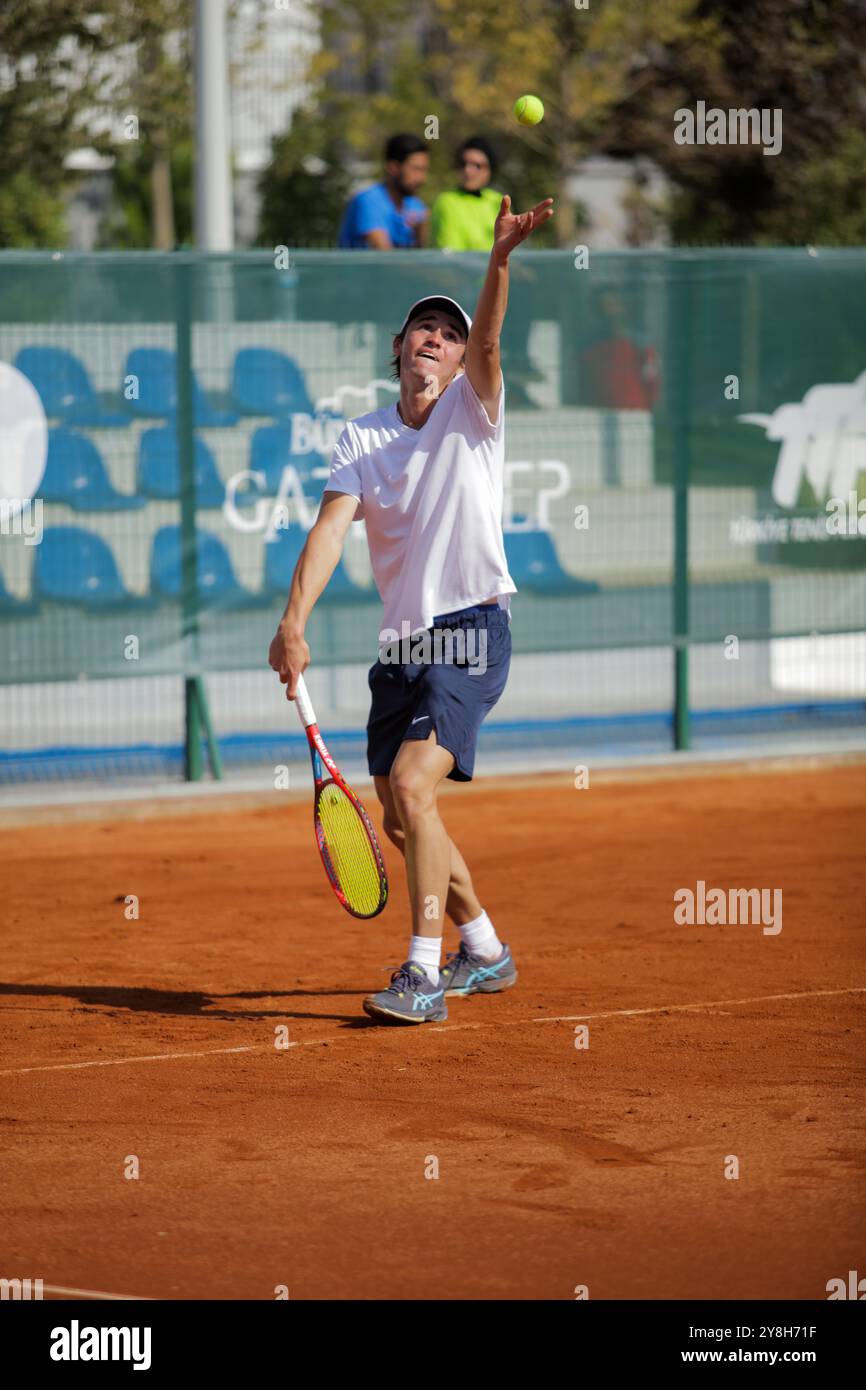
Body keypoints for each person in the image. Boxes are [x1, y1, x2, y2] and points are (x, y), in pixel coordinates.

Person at [269, 192, 554, 1025]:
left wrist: (498, 260)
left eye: (450, 333)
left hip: (470, 629)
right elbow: (327, 534)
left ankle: (423, 974)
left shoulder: (477, 409)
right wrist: (294, 623)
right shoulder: (360, 437)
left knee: (410, 785)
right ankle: (488, 951)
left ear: (465, 362)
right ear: (398, 349)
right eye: (423, 328)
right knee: (400, 816)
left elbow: (493, 335)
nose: (436, 337)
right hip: (401, 646)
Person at [337, 133, 430, 249]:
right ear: (393, 168)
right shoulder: (369, 201)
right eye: (416, 169)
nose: (422, 178)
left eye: (424, 170)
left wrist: (420, 233)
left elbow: (419, 259)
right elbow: (384, 258)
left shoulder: (415, 205)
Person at [431, 136, 502, 251]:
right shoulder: (447, 201)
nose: (468, 171)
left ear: (489, 169)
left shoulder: (498, 200)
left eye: (477, 166)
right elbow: (452, 253)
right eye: (463, 164)